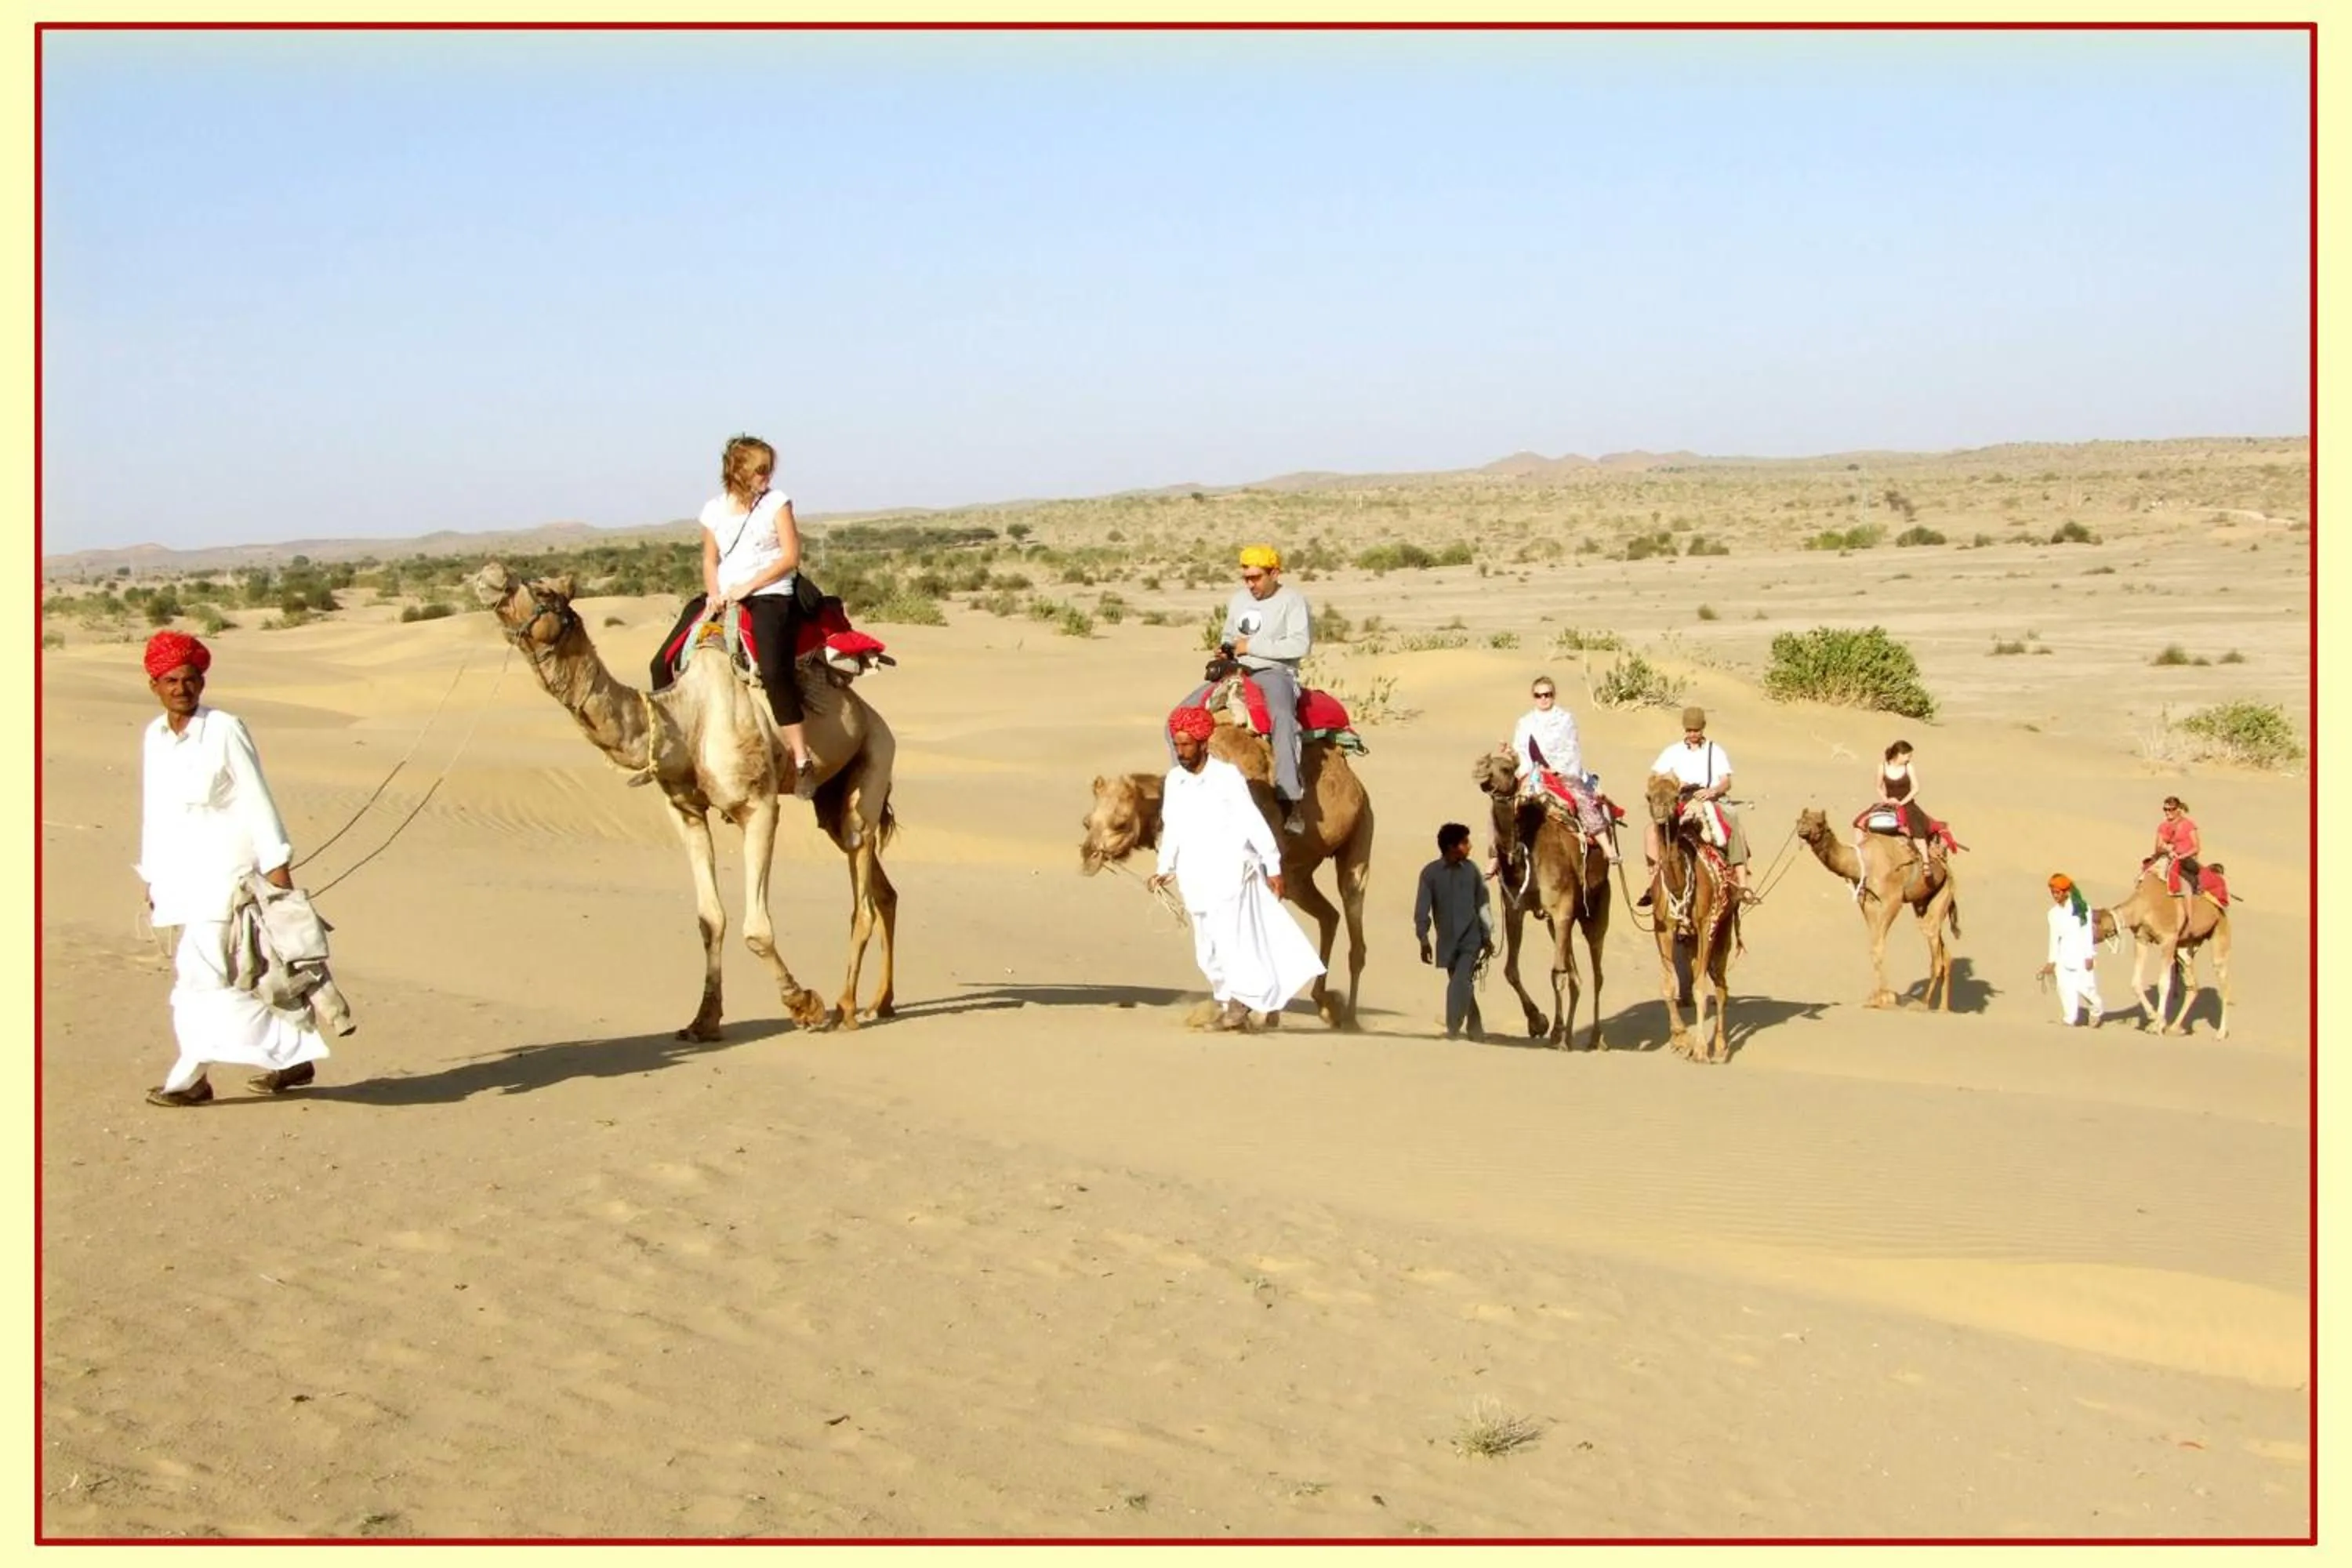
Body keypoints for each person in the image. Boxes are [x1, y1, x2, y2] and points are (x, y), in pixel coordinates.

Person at [136, 630, 334, 1106]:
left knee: (201, 978)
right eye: (171, 680)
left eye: (190, 679)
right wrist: (152, 877)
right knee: (218, 975)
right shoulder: (155, 736)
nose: (181, 688)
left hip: (228, 876)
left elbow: (256, 797)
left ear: (202, 682)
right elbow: (155, 811)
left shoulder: (224, 729)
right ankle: (291, 1054)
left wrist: (278, 867)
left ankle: (191, 1079)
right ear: (154, 686)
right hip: (181, 879)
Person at [649, 434, 820, 800]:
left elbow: (790, 557)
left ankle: (802, 759)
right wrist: (714, 595)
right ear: (738, 471)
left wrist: (748, 587)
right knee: (661, 662)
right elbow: (710, 559)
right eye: (760, 470)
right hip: (723, 595)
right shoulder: (714, 510)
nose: (766, 476)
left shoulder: (776, 502)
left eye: (768, 469)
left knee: (773, 670)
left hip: (770, 593)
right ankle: (666, 750)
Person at [1149, 705, 1325, 1030]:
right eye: (1177, 745)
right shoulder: (1175, 780)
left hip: (1230, 871)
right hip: (1194, 875)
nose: (1181, 751)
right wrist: (1164, 866)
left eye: (1186, 745)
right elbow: (1172, 825)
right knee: (1207, 948)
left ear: (1203, 744)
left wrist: (1272, 865)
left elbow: (1251, 821)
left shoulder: (1226, 777)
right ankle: (1226, 1000)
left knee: (1232, 940)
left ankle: (1239, 1006)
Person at [1220, 544, 1314, 834]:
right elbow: (1229, 635)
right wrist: (1226, 650)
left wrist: (1251, 646)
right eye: (1246, 578)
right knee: (1180, 717)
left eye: (1256, 578)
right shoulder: (1239, 600)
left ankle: (1290, 799)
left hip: (1275, 673)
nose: (1250, 584)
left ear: (1274, 573)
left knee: (1282, 718)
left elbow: (1300, 645)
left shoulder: (1292, 601)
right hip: (1236, 670)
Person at [1642, 706, 1751, 904]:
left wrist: (1713, 791)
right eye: (1689, 730)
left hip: (1710, 798)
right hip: (1681, 798)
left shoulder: (1715, 751)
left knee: (1733, 822)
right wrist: (1674, 782)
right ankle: (1653, 883)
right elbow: (1656, 777)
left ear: (1703, 728)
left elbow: (1726, 781)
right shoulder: (1673, 751)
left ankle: (1743, 884)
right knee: (1652, 831)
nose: (1692, 734)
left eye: (1696, 730)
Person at [1507, 674, 1618, 868]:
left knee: (1581, 798)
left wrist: (1557, 769)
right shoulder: (1525, 722)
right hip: (1532, 772)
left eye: (1547, 694)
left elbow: (1570, 747)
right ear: (1533, 696)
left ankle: (1607, 848)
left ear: (1554, 695)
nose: (1543, 699)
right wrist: (1516, 757)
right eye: (1539, 695)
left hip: (1561, 772)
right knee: (1505, 804)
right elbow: (1521, 749)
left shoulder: (1565, 719)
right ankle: (1497, 855)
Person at [1415, 823, 1495, 1041]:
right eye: (1465, 842)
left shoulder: (1472, 871)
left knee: (1459, 981)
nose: (1470, 846)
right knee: (1463, 984)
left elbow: (1483, 904)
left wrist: (1487, 935)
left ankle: (1452, 1030)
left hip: (1471, 939)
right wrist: (1423, 939)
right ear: (1452, 847)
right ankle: (1476, 1028)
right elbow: (1422, 909)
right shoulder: (1430, 874)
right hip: (1447, 942)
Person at [2040, 873, 2104, 1028]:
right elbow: (2054, 938)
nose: (2055, 896)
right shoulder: (2053, 914)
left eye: (2057, 892)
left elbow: (2087, 933)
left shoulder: (2082, 909)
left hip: (2081, 955)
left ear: (2066, 892)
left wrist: (2089, 956)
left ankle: (2096, 1010)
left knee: (2086, 989)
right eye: (2053, 893)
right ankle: (2069, 1018)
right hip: (2063, 956)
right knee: (2064, 988)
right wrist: (2051, 961)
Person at [1870, 739, 1943, 860]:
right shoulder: (1882, 767)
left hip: (1907, 803)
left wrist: (1901, 803)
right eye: (1908, 756)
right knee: (1861, 822)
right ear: (1899, 754)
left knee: (1917, 830)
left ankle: (1925, 861)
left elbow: (1916, 788)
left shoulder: (1908, 767)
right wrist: (1886, 800)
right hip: (1889, 803)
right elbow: (1878, 787)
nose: (1909, 759)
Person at [2151, 795, 2203, 899]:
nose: (2167, 812)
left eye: (2171, 809)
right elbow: (2158, 847)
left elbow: (2196, 848)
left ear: (2178, 809)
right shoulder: (2163, 826)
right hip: (2169, 857)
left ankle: (2194, 893)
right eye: (2165, 809)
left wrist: (2182, 856)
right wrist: (2168, 851)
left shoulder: (2188, 825)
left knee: (2189, 878)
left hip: (2186, 859)